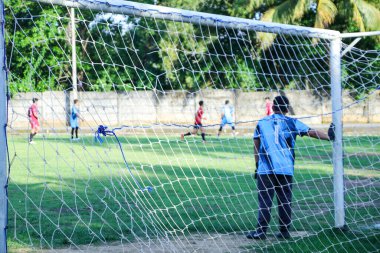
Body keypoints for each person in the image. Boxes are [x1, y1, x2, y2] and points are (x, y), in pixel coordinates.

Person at [246, 96, 335, 240]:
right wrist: (329, 137)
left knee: (265, 201)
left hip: (265, 169)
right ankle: (284, 231)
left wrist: (257, 165)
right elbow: (311, 132)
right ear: (287, 109)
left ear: (273, 107)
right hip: (285, 168)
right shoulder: (292, 122)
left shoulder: (262, 123)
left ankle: (261, 231)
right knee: (285, 200)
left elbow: (256, 144)